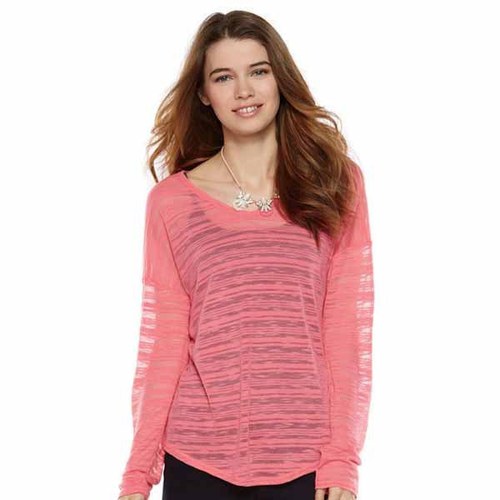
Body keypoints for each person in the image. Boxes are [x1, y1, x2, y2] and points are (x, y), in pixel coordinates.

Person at [117, 9, 374, 500]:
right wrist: (139, 471)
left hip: (305, 458)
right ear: (203, 94)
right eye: (223, 77)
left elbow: (346, 331)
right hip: (196, 456)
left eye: (258, 71)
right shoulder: (171, 202)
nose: (243, 91)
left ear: (280, 78)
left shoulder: (336, 183)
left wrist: (342, 459)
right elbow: (165, 342)